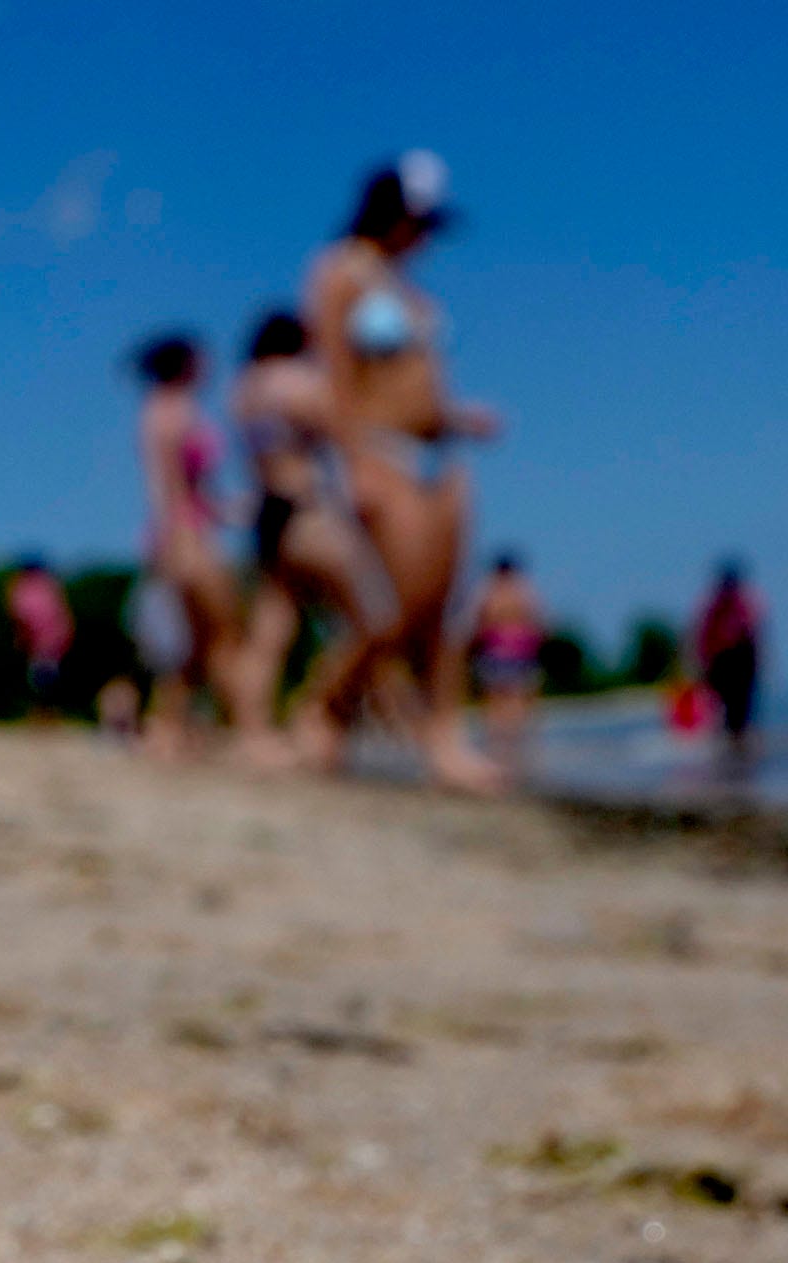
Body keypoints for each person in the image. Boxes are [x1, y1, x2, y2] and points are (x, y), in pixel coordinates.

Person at [302, 151, 504, 791]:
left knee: (445, 613)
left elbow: (416, 382)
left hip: (434, 456)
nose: (427, 238)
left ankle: (444, 740)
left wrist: (457, 418)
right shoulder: (340, 272)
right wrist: (351, 464)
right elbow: (335, 376)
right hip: (379, 454)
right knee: (396, 610)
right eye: (421, 222)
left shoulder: (405, 289)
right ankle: (325, 708)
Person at [224, 309, 385, 757]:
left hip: (266, 514)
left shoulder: (243, 389)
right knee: (377, 616)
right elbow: (342, 432)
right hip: (307, 508)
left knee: (270, 632)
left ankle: (252, 735)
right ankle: (315, 707)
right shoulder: (296, 380)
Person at [129, 333, 236, 755]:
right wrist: (173, 536)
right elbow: (163, 485)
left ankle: (170, 727)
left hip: (195, 528)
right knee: (218, 631)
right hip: (184, 533)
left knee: (200, 640)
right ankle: (245, 727)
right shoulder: (164, 412)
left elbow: (201, 489)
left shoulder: (178, 410)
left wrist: (231, 512)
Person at [464, 551, 546, 766]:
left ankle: (499, 751)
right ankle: (515, 750)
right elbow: (540, 623)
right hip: (522, 649)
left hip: (495, 649)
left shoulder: (489, 591)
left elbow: (477, 623)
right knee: (518, 701)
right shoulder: (525, 591)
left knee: (495, 703)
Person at [689, 559, 764, 759]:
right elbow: (701, 635)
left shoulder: (746, 603)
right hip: (723, 661)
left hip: (738, 662)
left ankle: (734, 754)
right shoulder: (713, 604)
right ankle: (728, 754)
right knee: (726, 709)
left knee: (739, 711)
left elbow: (755, 635)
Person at [6, 557, 75, 715]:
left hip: (38, 643)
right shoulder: (51, 586)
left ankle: (41, 712)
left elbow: (19, 617)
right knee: (47, 679)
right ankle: (45, 712)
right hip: (54, 642)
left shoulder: (22, 588)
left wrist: (20, 638)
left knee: (40, 680)